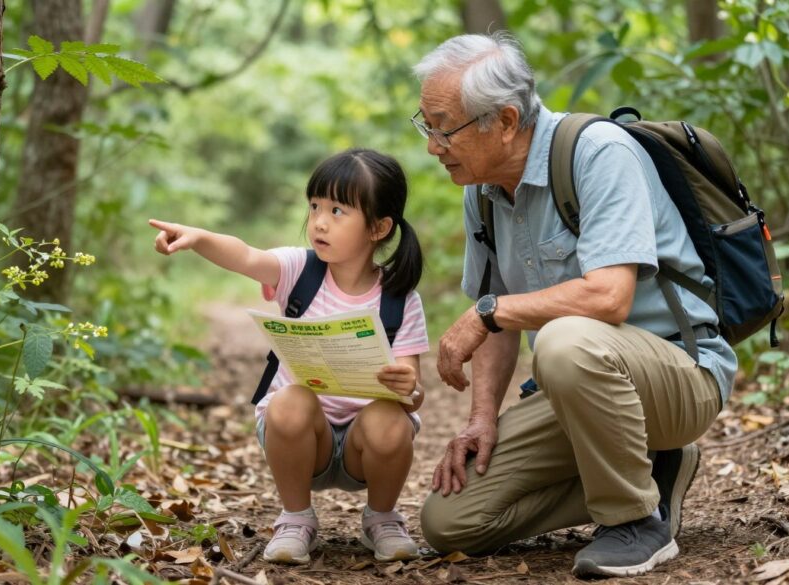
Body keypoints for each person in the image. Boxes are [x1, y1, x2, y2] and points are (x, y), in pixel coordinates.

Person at [410, 33, 737, 578]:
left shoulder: (599, 153)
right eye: (426, 125)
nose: (432, 145)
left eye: (443, 127)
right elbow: (499, 317)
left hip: (681, 374)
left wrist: (489, 311)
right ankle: (656, 470)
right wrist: (482, 418)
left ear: (507, 120)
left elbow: (608, 297)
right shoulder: (482, 192)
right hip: (583, 391)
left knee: (564, 338)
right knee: (450, 522)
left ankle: (636, 522)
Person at [148, 148, 430, 564]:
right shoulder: (299, 270)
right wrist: (199, 238)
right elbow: (244, 254)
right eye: (315, 205)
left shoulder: (399, 299)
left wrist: (409, 388)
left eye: (337, 211)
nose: (318, 221)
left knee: (391, 417)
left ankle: (382, 518)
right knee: (289, 400)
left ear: (378, 227)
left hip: (364, 447)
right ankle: (296, 519)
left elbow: (413, 393)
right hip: (301, 439)